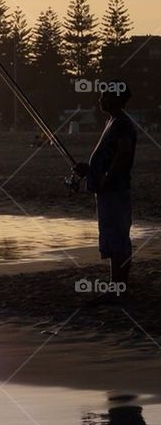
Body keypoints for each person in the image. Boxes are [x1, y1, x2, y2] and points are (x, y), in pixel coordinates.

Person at [77, 80, 136, 293]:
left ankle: (118, 287)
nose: (100, 99)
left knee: (118, 237)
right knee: (111, 237)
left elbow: (124, 153)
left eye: (104, 95)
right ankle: (115, 285)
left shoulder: (121, 123)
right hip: (107, 189)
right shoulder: (112, 122)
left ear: (117, 98)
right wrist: (89, 170)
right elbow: (110, 156)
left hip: (115, 189)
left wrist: (107, 178)